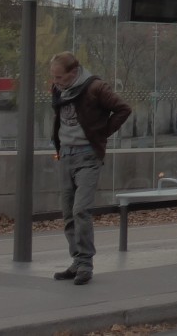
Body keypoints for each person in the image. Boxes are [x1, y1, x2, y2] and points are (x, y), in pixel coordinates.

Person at [49, 51, 132, 285]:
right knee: (67, 213)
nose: (56, 82)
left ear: (74, 73)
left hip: (87, 157)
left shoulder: (95, 87)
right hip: (65, 156)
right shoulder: (58, 90)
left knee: (80, 210)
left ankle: (86, 263)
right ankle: (76, 261)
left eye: (60, 78)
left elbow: (124, 109)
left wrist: (102, 133)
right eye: (54, 78)